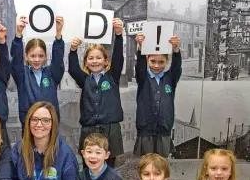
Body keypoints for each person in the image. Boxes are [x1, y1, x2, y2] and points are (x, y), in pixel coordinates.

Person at [68, 18, 125, 168]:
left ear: (106, 61)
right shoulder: (84, 80)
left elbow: (119, 58)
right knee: (89, 166)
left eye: (99, 58)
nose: (95, 61)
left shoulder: (112, 77)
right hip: (89, 129)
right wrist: (73, 50)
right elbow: (73, 69)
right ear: (85, 62)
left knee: (110, 167)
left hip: (110, 129)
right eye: (91, 58)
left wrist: (119, 35)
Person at [11, 16, 65, 130]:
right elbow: (15, 60)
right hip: (29, 124)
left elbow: (58, 60)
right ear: (26, 56)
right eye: (33, 56)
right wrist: (18, 35)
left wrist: (58, 34)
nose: (37, 60)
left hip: (50, 124)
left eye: (40, 56)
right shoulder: (22, 74)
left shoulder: (51, 74)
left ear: (46, 57)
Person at [133, 33, 181, 158]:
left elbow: (176, 68)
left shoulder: (170, 79)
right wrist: (140, 47)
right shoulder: (143, 78)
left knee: (161, 166)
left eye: (161, 62)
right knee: (146, 165)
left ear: (166, 61)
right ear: (147, 59)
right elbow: (140, 66)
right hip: (145, 130)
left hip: (164, 130)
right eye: (153, 61)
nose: (156, 65)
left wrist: (175, 49)